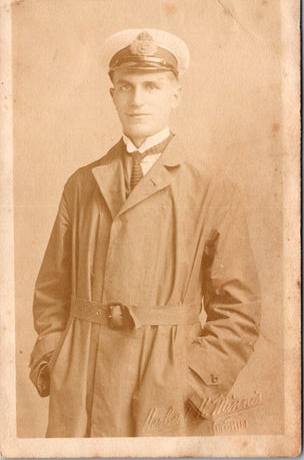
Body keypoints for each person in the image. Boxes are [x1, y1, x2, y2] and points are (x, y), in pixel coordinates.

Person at [29, 28, 261, 437]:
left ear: (175, 95)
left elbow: (238, 313)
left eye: (151, 86)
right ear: (112, 95)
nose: (137, 100)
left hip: (165, 387)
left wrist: (191, 382)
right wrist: (53, 356)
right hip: (82, 383)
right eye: (127, 86)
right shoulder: (81, 184)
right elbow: (51, 291)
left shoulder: (211, 188)